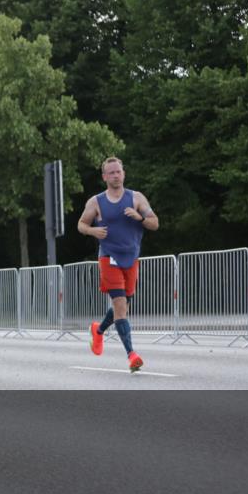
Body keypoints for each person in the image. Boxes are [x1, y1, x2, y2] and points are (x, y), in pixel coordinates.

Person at [77, 156, 159, 372]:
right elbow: (81, 224)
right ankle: (132, 355)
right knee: (120, 306)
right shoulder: (96, 201)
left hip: (131, 258)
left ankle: (98, 330)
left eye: (118, 171)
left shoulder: (136, 198)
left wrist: (139, 218)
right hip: (108, 257)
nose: (115, 175)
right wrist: (93, 230)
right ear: (104, 177)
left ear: (123, 173)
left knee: (123, 305)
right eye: (111, 172)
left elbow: (155, 223)